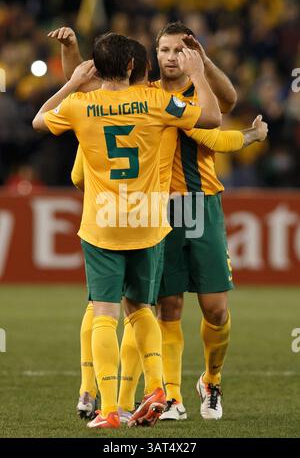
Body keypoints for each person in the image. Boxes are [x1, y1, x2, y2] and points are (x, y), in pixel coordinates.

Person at [51, 24, 268, 423]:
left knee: (214, 309)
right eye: (164, 49)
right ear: (151, 56)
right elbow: (87, 89)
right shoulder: (144, 94)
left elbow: (224, 110)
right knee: (157, 305)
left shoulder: (194, 94)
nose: (171, 57)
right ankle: (165, 395)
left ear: (190, 54)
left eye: (178, 50)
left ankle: (210, 380)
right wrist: (251, 137)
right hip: (154, 210)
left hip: (200, 204)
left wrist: (204, 67)